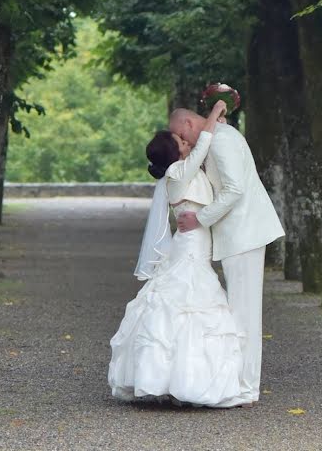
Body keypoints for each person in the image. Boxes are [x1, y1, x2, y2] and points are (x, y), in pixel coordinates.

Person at [108, 100, 246, 407]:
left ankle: (177, 378)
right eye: (182, 141)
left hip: (193, 243)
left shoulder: (179, 172)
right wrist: (214, 111)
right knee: (190, 303)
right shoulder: (179, 173)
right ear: (177, 152)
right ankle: (182, 381)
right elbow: (205, 142)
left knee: (183, 304)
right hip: (191, 246)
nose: (187, 142)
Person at [169, 107, 285, 407]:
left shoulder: (221, 140)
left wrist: (201, 219)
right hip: (236, 234)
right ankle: (239, 383)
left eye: (183, 135)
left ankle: (247, 389)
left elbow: (234, 189)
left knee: (245, 314)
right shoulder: (217, 136)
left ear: (189, 122)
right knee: (238, 312)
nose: (186, 142)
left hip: (244, 232)